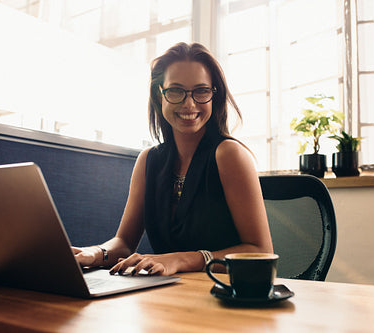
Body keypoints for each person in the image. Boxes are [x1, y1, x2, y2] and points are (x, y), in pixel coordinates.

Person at [73, 42, 273, 276]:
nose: (189, 104)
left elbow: (260, 251)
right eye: (176, 90)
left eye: (201, 91)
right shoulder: (149, 160)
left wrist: (182, 260)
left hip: (222, 296)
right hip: (166, 296)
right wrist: (96, 253)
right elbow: (124, 243)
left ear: (213, 96)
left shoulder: (229, 154)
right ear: (160, 96)